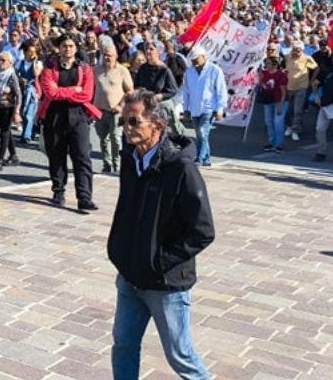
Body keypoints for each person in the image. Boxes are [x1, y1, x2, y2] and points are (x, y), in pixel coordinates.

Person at [108, 89, 214, 379]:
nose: (127, 129)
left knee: (181, 356)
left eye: (134, 122)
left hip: (165, 283)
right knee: (124, 345)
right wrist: (120, 252)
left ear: (157, 125)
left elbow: (203, 231)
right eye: (124, 122)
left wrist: (158, 260)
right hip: (130, 274)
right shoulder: (131, 157)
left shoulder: (181, 168)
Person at [39, 35, 101, 212]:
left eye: (71, 46)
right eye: (65, 46)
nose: (68, 49)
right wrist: (74, 90)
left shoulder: (85, 69)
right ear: (59, 48)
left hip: (79, 116)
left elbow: (87, 95)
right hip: (55, 115)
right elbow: (50, 93)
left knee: (82, 157)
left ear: (76, 48)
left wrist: (63, 91)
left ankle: (84, 197)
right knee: (57, 156)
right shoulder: (49, 68)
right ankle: (58, 191)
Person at [180, 49, 226, 167]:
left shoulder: (215, 70)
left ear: (204, 57)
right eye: (192, 60)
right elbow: (186, 91)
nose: (194, 62)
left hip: (209, 108)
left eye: (197, 59)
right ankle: (207, 158)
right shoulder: (189, 72)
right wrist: (186, 108)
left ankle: (199, 158)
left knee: (202, 132)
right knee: (201, 134)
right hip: (195, 108)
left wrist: (220, 108)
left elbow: (221, 90)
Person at [93, 44, 134, 174]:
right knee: (103, 138)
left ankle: (117, 164)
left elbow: (130, 91)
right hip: (100, 110)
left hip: (116, 110)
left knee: (116, 137)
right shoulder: (96, 70)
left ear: (115, 56)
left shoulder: (122, 70)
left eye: (109, 55)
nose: (106, 58)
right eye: (104, 55)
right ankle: (107, 163)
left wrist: (120, 105)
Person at [0, 51, 22, 172]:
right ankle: (13, 156)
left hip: (9, 108)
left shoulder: (11, 75)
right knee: (6, 131)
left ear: (10, 63)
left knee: (4, 132)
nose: (0, 63)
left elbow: (18, 94)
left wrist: (17, 112)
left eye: (3, 61)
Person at [283, 41, 317, 142]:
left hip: (301, 87)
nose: (296, 52)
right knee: (289, 109)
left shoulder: (307, 58)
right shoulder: (287, 56)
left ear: (302, 50)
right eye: (294, 50)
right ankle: (289, 126)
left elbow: (316, 68)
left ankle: (295, 130)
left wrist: (311, 80)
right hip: (289, 87)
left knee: (298, 110)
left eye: (298, 51)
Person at [256, 56, 288, 153]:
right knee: (268, 122)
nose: (266, 65)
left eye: (268, 63)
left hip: (280, 100)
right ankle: (272, 142)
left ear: (275, 65)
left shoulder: (281, 75)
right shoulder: (264, 73)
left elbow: (283, 92)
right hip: (268, 100)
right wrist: (260, 79)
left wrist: (280, 105)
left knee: (278, 122)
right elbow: (262, 85)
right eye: (266, 63)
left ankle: (279, 144)